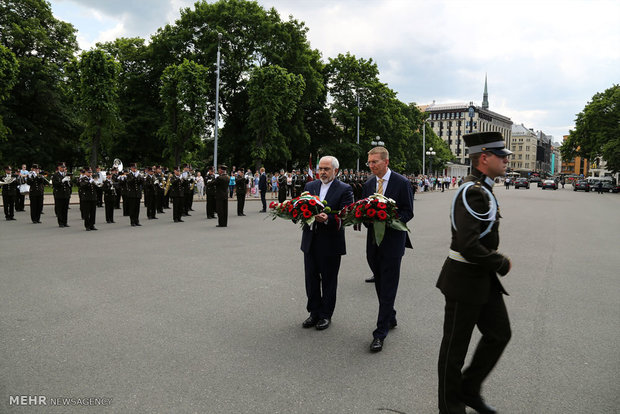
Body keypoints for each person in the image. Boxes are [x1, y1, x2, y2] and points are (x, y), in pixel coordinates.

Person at [436, 131, 513, 414]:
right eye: (501, 156)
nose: (506, 160)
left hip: (482, 280)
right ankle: (450, 408)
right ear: (484, 158)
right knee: (454, 351)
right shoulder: (472, 191)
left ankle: (468, 388)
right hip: (464, 281)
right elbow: (468, 245)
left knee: (499, 334)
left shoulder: (483, 188)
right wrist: (500, 262)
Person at [359, 146, 414, 352]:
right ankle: (390, 316)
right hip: (373, 242)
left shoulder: (402, 183)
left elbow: (408, 211)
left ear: (386, 162)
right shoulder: (368, 184)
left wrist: (391, 221)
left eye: (375, 162)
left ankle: (380, 333)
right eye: (370, 162)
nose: (371, 166)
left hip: (393, 242)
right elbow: (364, 209)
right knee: (380, 283)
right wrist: (365, 218)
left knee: (388, 285)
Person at [300, 156, 354, 331]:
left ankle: (325, 315)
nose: (322, 172)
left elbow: (347, 214)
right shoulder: (310, 186)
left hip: (331, 242)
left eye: (326, 169)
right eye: (320, 169)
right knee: (311, 279)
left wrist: (328, 219)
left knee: (329, 281)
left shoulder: (345, 189)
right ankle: (313, 312)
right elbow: (302, 206)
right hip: (310, 240)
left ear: (335, 171)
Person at [52, 162, 72, 227]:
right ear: (59, 167)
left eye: (64, 167)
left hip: (66, 194)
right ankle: (60, 223)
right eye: (62, 167)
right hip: (59, 194)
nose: (63, 168)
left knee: (65, 209)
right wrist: (62, 181)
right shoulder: (55, 175)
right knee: (60, 209)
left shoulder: (66, 174)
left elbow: (70, 185)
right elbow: (55, 184)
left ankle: (65, 222)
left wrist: (69, 182)